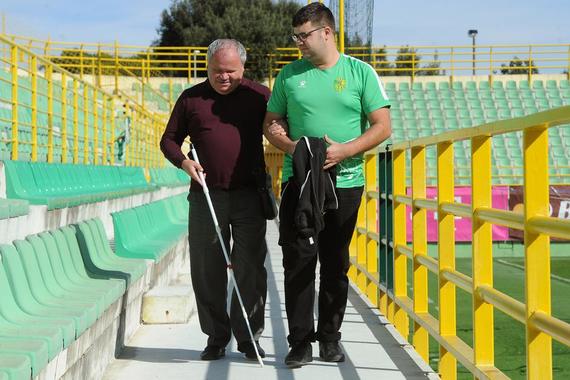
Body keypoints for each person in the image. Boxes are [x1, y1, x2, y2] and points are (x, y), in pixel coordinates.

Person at [263, 3, 392, 368]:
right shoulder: (289, 76)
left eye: (304, 36)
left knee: (335, 262)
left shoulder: (360, 73)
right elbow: (271, 123)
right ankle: (300, 341)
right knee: (299, 261)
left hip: (346, 181)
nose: (299, 43)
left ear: (327, 33)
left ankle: (330, 339)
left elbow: (382, 126)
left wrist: (343, 151)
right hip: (299, 182)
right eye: (296, 36)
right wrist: (296, 149)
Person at [160, 39, 270, 361]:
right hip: (206, 196)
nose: (224, 77)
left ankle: (249, 337)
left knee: (250, 268)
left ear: (243, 69)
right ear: (207, 67)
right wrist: (184, 162)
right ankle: (216, 337)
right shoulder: (191, 98)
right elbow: (168, 139)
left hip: (250, 195)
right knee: (207, 269)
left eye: (231, 71)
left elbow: (279, 127)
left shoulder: (259, 96)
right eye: (217, 71)